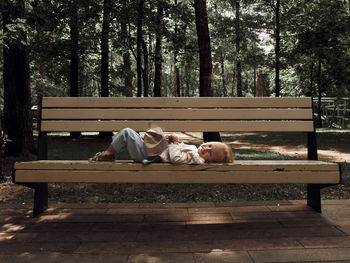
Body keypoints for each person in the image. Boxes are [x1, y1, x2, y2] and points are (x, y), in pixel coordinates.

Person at [88, 128, 234, 164]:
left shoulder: (196, 158)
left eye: (210, 152)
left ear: (209, 161)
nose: (206, 148)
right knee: (128, 133)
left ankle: (108, 154)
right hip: (152, 154)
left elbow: (176, 158)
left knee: (127, 133)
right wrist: (170, 141)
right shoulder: (195, 151)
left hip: (149, 158)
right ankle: (108, 154)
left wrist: (175, 143)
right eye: (209, 145)